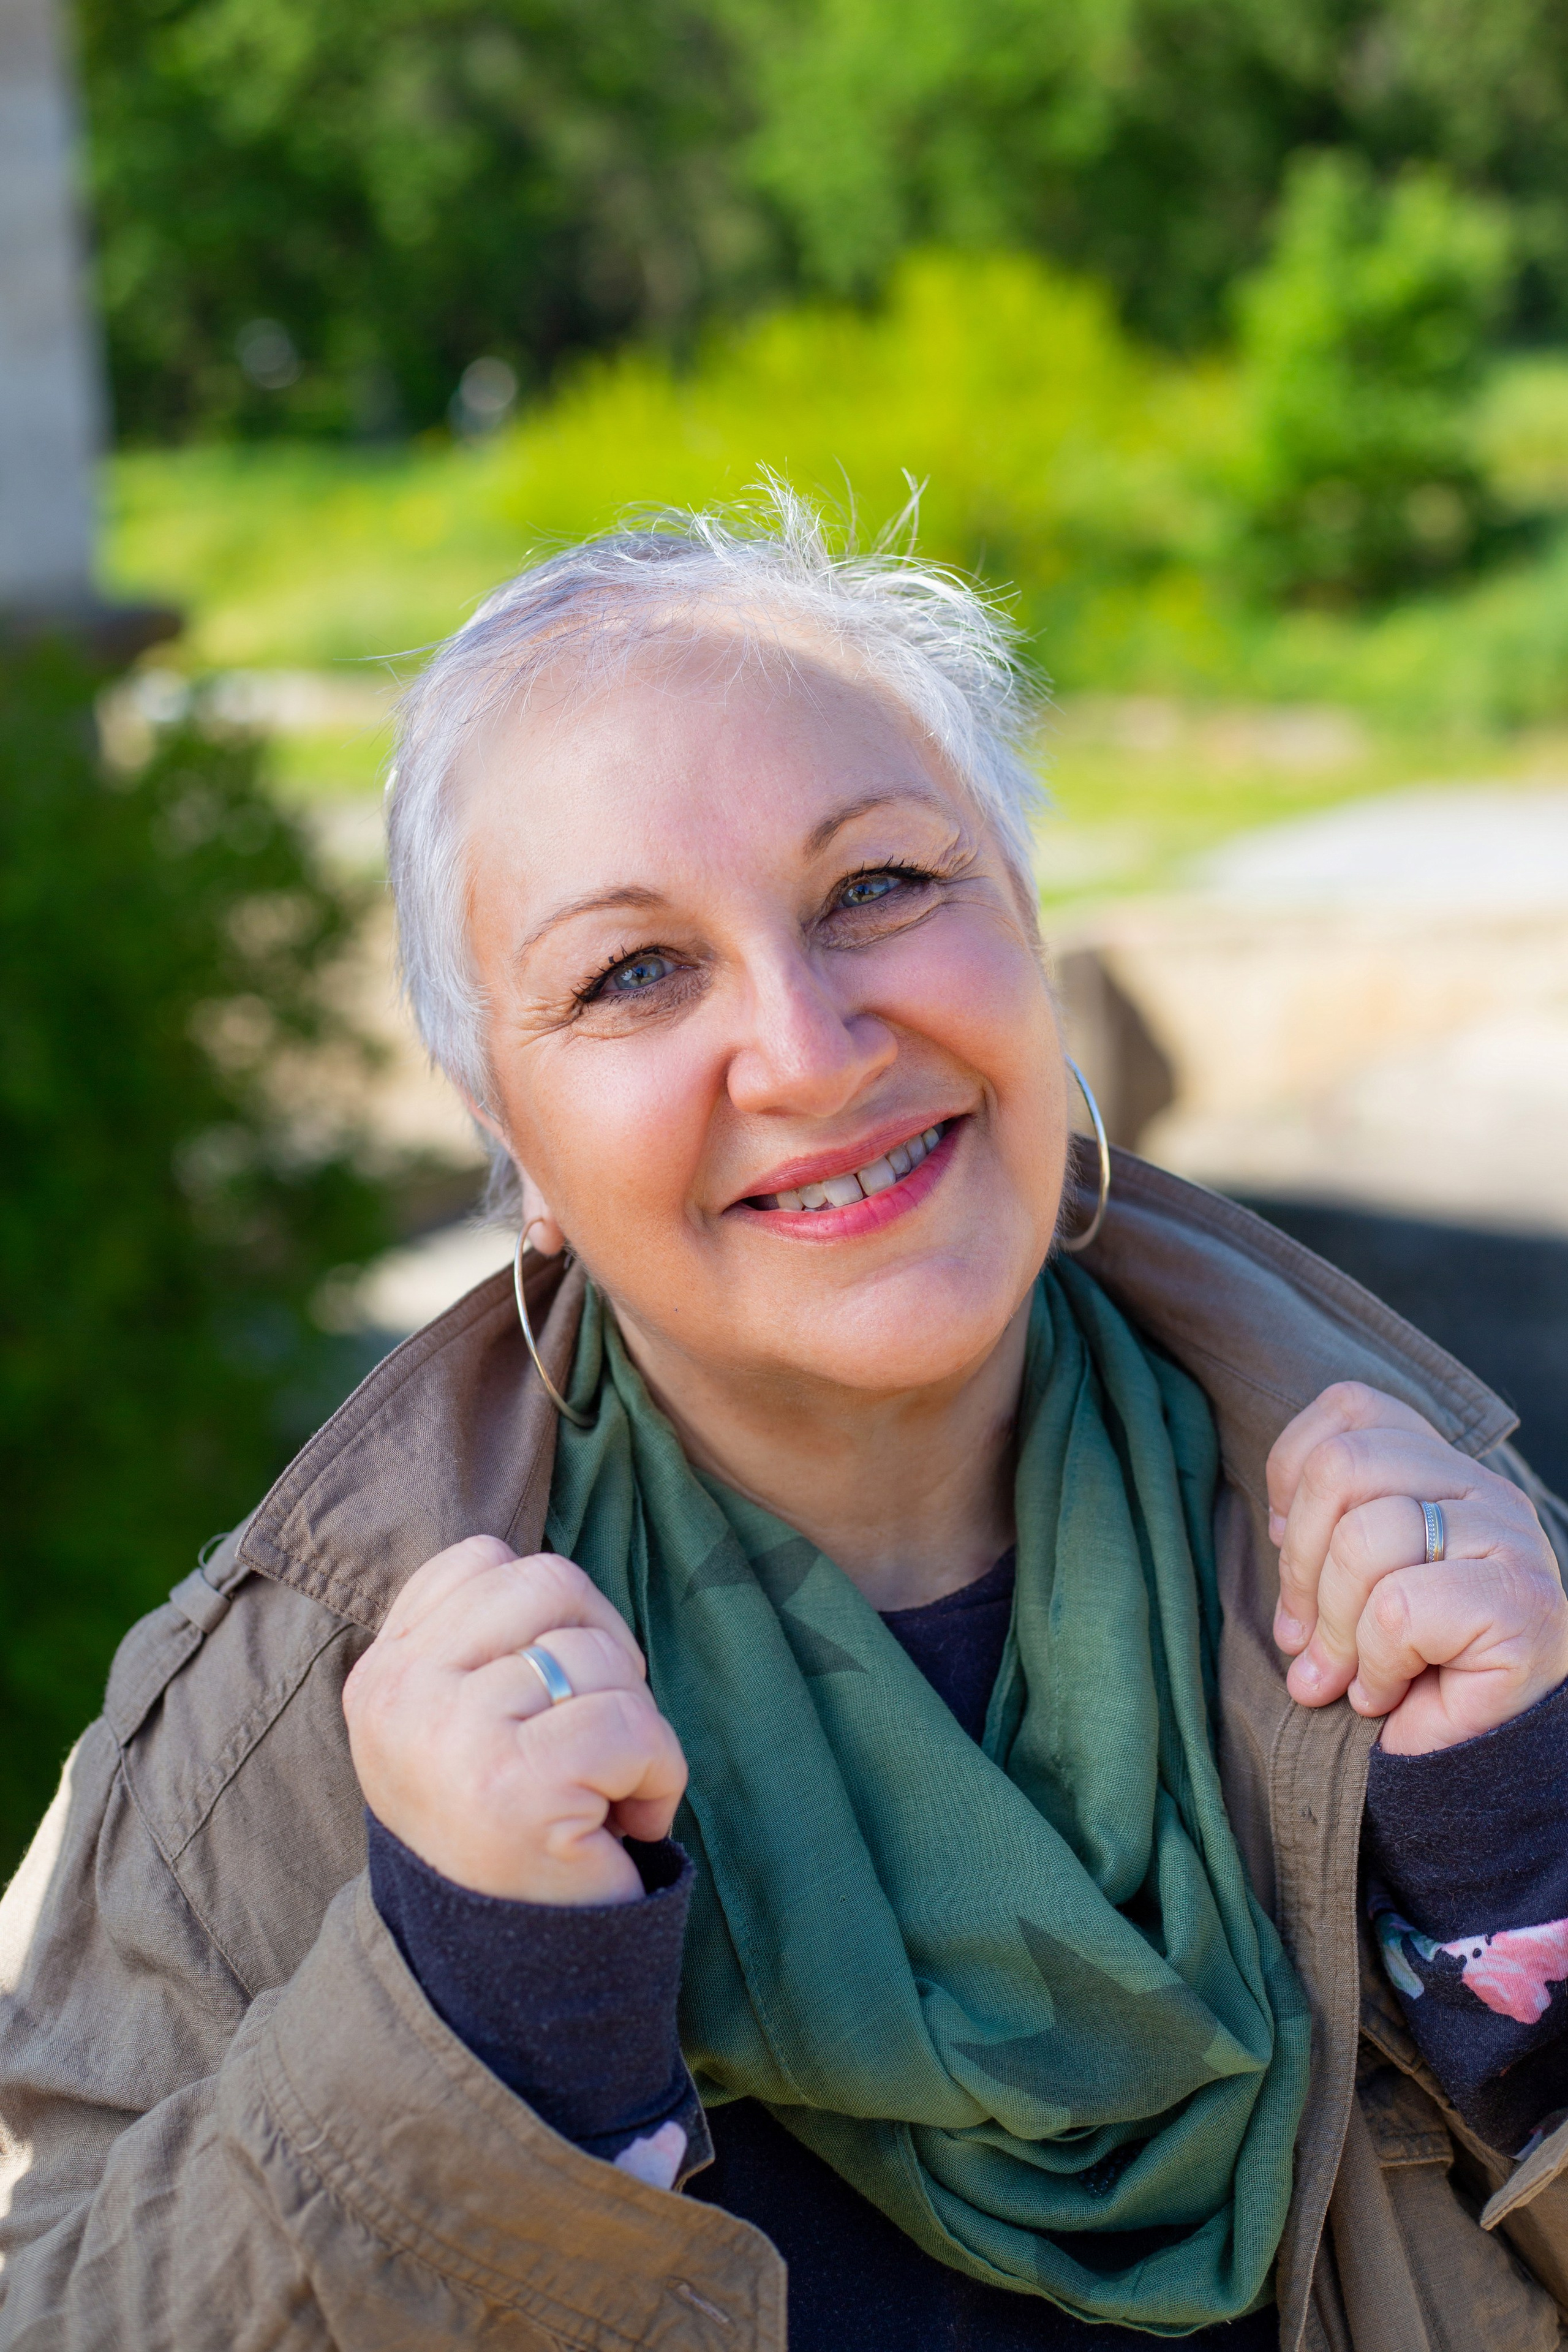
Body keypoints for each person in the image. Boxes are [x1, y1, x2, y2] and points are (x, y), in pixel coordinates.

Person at [3, 491, 1568, 2352]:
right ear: (513, 1145)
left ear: (1026, 925)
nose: (813, 1052)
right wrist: (460, 2024)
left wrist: (1519, 1871)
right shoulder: (277, 1729)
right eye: (634, 974)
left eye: (879, 888)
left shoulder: (1444, 1566)